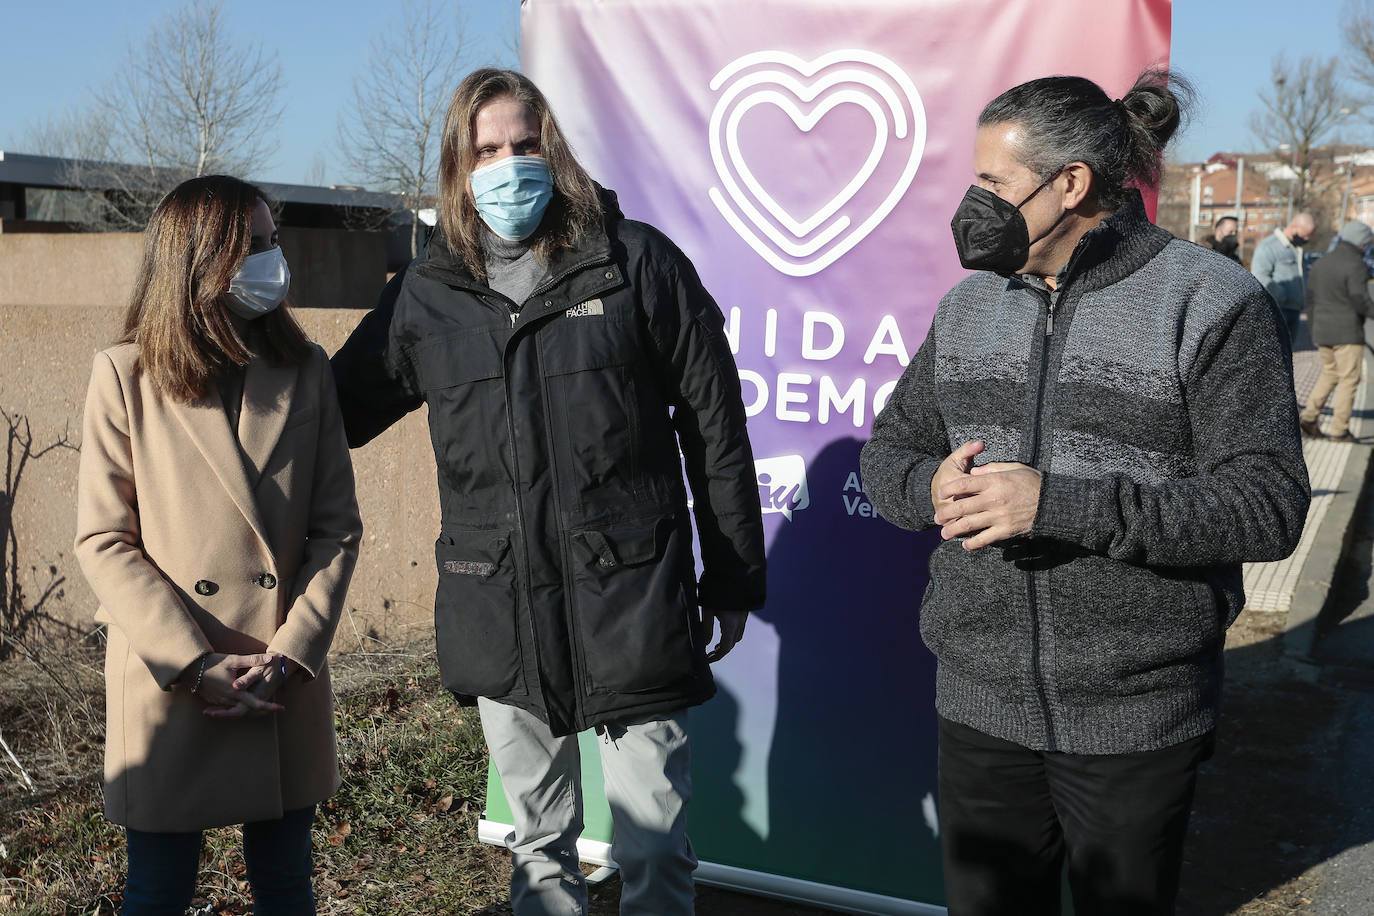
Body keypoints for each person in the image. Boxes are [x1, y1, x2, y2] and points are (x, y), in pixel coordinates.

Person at [861, 70, 1309, 916]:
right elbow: (889, 454)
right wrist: (930, 488)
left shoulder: (1211, 301)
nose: (972, 202)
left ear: (1071, 184)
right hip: (979, 708)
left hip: (1137, 720)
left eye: (992, 182)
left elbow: (1269, 503)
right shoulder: (967, 308)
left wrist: (1056, 505)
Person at [331, 68, 766, 916]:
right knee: (535, 847)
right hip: (499, 607)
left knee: (653, 848)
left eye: (523, 145)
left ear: (553, 146)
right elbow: (331, 411)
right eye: (486, 150)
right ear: (457, 167)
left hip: (632, 599)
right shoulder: (426, 294)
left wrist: (734, 577)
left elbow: (714, 423)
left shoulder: (635, 262)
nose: (508, 165)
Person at [74, 175, 362, 914]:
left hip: (279, 676)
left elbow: (336, 528)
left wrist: (293, 654)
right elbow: (105, 539)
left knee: (287, 885)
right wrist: (194, 662)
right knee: (158, 890)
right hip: (173, 678)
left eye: (273, 241)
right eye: (253, 247)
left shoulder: (307, 371)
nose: (273, 260)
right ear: (197, 260)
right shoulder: (125, 375)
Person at [1298, 219, 1374, 442]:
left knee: (1330, 374)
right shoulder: (1356, 265)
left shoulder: (1322, 263)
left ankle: (1310, 417)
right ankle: (1340, 430)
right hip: (1347, 334)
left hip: (1322, 331)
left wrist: (1313, 330)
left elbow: (1310, 301)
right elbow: (1361, 302)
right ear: (1362, 243)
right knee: (1349, 380)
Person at [1252, 211, 1316, 346]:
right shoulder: (1268, 246)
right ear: (1294, 227)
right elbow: (1259, 276)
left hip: (1294, 309)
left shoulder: (1295, 248)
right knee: (1275, 354)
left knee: (1288, 355)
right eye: (1305, 235)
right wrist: (1281, 294)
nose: (1306, 239)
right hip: (1278, 310)